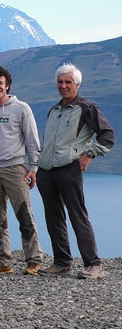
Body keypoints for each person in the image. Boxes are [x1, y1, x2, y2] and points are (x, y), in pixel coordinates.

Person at [37, 63, 115, 279]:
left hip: (69, 169)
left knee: (77, 215)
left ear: (77, 84)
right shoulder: (54, 110)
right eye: (60, 82)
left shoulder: (86, 107)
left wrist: (90, 154)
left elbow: (107, 135)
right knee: (53, 216)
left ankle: (94, 264)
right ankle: (62, 262)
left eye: (68, 82)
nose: (63, 86)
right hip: (46, 170)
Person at [0, 65, 43, 275]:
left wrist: (33, 167)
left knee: (23, 214)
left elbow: (32, 139)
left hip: (15, 168)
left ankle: (34, 259)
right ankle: (3, 261)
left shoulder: (21, 108)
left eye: (0, 83)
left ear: (7, 85)